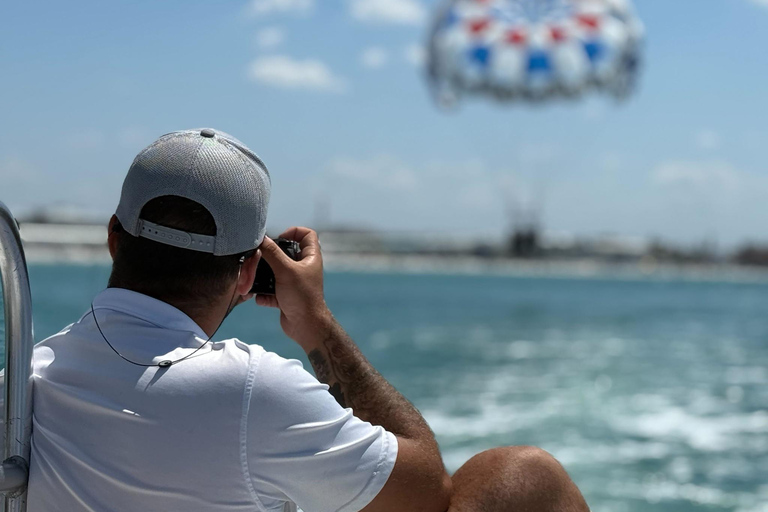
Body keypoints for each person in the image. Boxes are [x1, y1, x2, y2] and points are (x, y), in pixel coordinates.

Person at [15, 128, 589, 511]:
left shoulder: (31, 376)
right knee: (521, 474)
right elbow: (423, 490)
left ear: (114, 239)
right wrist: (316, 323)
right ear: (248, 274)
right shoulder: (250, 388)